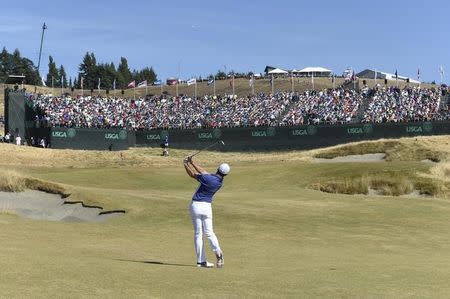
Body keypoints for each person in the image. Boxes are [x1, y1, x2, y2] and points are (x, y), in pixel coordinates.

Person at [183, 156, 229, 268]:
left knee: (198, 234)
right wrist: (192, 162)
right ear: (225, 175)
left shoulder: (208, 178)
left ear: (218, 169)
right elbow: (203, 171)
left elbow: (192, 175)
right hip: (207, 207)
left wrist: (185, 164)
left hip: (196, 206)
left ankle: (201, 261)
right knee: (209, 232)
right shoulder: (218, 182)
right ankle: (218, 252)